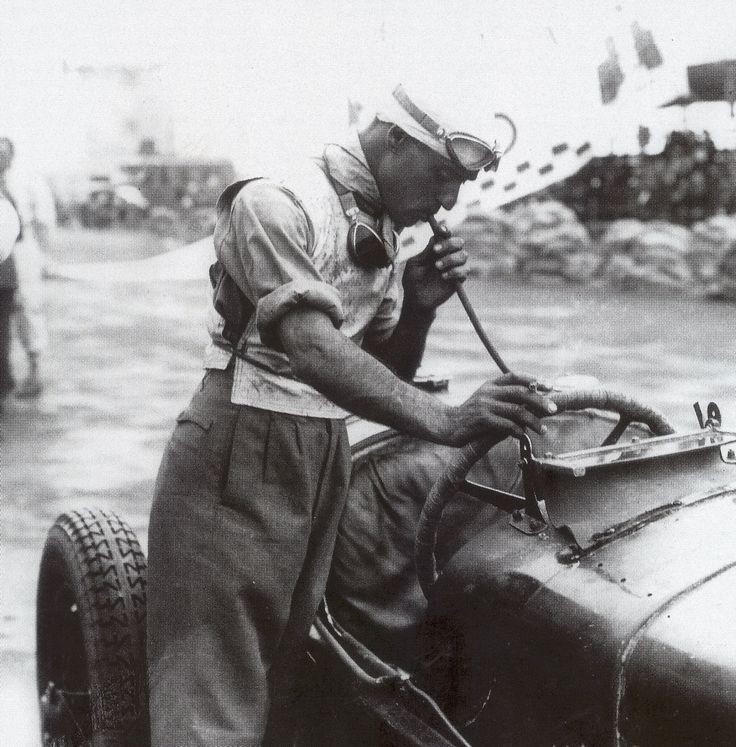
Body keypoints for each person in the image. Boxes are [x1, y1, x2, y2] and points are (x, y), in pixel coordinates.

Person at [146, 84, 558, 747]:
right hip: (239, 442)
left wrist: (419, 304)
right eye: (444, 176)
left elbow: (376, 372)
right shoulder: (275, 199)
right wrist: (447, 420)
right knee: (210, 695)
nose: (449, 200)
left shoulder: (385, 222)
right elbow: (309, 345)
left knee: (284, 672)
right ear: (395, 139)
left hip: (321, 449)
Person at [0, 136, 55, 398]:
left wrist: (46, 258)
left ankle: (34, 373)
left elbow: (44, 221)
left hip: (24, 250)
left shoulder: (28, 180)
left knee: (27, 309)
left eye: (5, 152)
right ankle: (5, 378)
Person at [0, 186, 21, 408]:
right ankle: (4, 387)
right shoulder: (6, 196)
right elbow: (19, 236)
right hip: (5, 278)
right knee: (2, 336)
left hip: (4, 280)